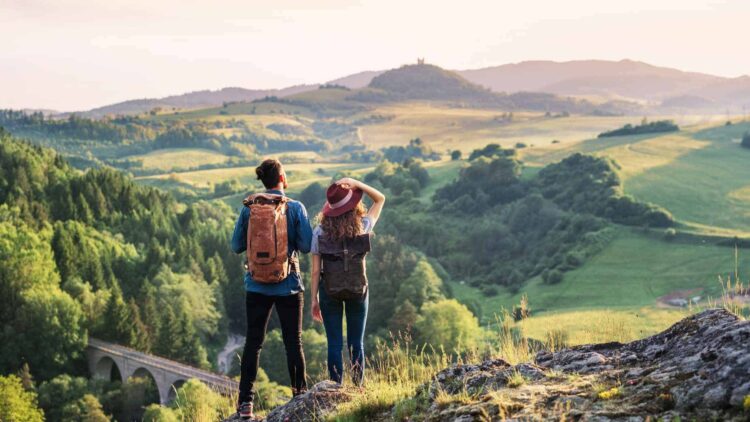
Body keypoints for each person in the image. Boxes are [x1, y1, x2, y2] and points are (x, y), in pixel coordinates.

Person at [231, 159, 313, 420]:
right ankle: (300, 395)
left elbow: (236, 246)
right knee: (293, 342)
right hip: (288, 285)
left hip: (256, 285)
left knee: (253, 344)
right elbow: (308, 245)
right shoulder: (295, 207)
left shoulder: (249, 209)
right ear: (282, 178)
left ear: (263, 181)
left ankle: (245, 404)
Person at [310, 177, 385, 385]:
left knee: (334, 344)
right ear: (353, 206)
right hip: (358, 290)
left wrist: (314, 300)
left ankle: (335, 387)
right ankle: (358, 387)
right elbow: (380, 199)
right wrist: (357, 183)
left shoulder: (319, 231)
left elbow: (316, 271)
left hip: (329, 291)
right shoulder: (363, 226)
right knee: (356, 342)